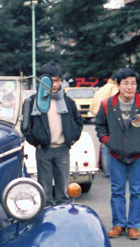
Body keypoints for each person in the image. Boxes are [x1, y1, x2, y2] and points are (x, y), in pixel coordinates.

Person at [95, 68, 140, 240]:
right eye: (125, 83)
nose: (129, 87)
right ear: (117, 85)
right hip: (116, 155)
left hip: (138, 155)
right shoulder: (107, 104)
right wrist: (108, 142)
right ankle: (118, 224)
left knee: (137, 191)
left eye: (133, 83)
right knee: (117, 190)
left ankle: (133, 225)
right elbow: (100, 126)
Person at [24, 61, 83, 206]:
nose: (54, 84)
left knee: (63, 190)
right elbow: (25, 127)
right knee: (45, 190)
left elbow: (78, 121)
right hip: (43, 149)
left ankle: (63, 218)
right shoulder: (32, 101)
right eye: (50, 80)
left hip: (62, 149)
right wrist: (36, 142)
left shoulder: (67, 101)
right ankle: (46, 218)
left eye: (57, 80)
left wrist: (72, 138)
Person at [90, 75, 119, 177]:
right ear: (116, 81)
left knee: (104, 144)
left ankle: (106, 170)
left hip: (99, 116)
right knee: (110, 145)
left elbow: (91, 106)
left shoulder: (100, 89)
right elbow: (116, 102)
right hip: (109, 117)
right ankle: (111, 172)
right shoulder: (113, 88)